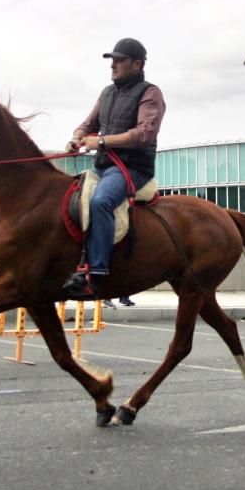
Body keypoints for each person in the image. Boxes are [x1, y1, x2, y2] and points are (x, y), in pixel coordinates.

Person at [62, 38, 166, 300]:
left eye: (119, 61)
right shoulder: (107, 93)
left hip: (133, 168)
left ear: (137, 64)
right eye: (112, 61)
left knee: (101, 201)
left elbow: (145, 134)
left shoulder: (150, 93)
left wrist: (102, 141)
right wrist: (77, 137)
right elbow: (87, 124)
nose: (113, 66)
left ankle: (95, 275)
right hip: (103, 167)